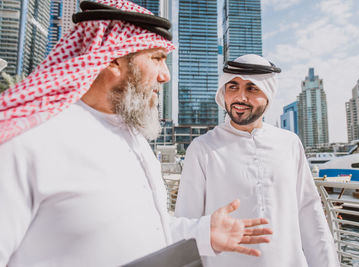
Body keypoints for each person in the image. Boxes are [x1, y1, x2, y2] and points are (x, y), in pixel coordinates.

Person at [0, 2, 272, 266]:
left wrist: (204, 232)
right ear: (115, 60)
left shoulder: (135, 141)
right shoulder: (26, 141)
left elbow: (149, 230)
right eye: (157, 59)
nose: (165, 75)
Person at [175, 54, 340, 267]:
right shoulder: (203, 148)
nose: (240, 97)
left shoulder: (289, 143)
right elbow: (187, 225)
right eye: (232, 87)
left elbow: (310, 214)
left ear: (268, 94)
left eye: (252, 88)